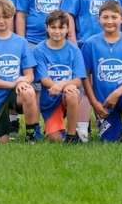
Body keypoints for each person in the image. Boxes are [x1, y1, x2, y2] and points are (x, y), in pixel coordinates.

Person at [81, 0, 122, 142]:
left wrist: (117, 93)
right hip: (104, 102)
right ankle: (120, 128)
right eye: (105, 17)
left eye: (114, 17)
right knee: (108, 140)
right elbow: (85, 76)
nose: (110, 21)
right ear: (98, 19)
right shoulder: (90, 44)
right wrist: (94, 103)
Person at [0, 0, 40, 143]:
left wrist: (23, 81)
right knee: (2, 142)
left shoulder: (21, 42)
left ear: (12, 17)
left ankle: (31, 134)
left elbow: (29, 75)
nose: (1, 21)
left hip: (15, 94)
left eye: (6, 17)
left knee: (29, 91)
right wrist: (14, 83)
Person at [34, 10, 86, 143]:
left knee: (72, 92)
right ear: (47, 28)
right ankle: (54, 128)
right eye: (53, 27)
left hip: (68, 93)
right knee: (55, 139)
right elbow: (44, 79)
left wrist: (62, 85)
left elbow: (78, 80)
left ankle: (71, 135)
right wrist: (57, 86)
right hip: (50, 99)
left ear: (68, 29)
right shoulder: (39, 50)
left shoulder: (74, 50)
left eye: (61, 27)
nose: (57, 31)